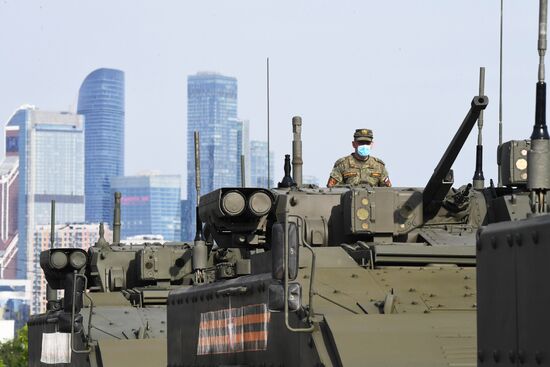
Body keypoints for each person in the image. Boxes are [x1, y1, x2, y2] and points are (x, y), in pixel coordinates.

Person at [327, 128, 391, 188]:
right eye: (361, 143)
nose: (364, 145)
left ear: (371, 144)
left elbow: (387, 190)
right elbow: (332, 189)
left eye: (367, 143)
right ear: (354, 144)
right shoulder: (342, 164)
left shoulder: (379, 166)